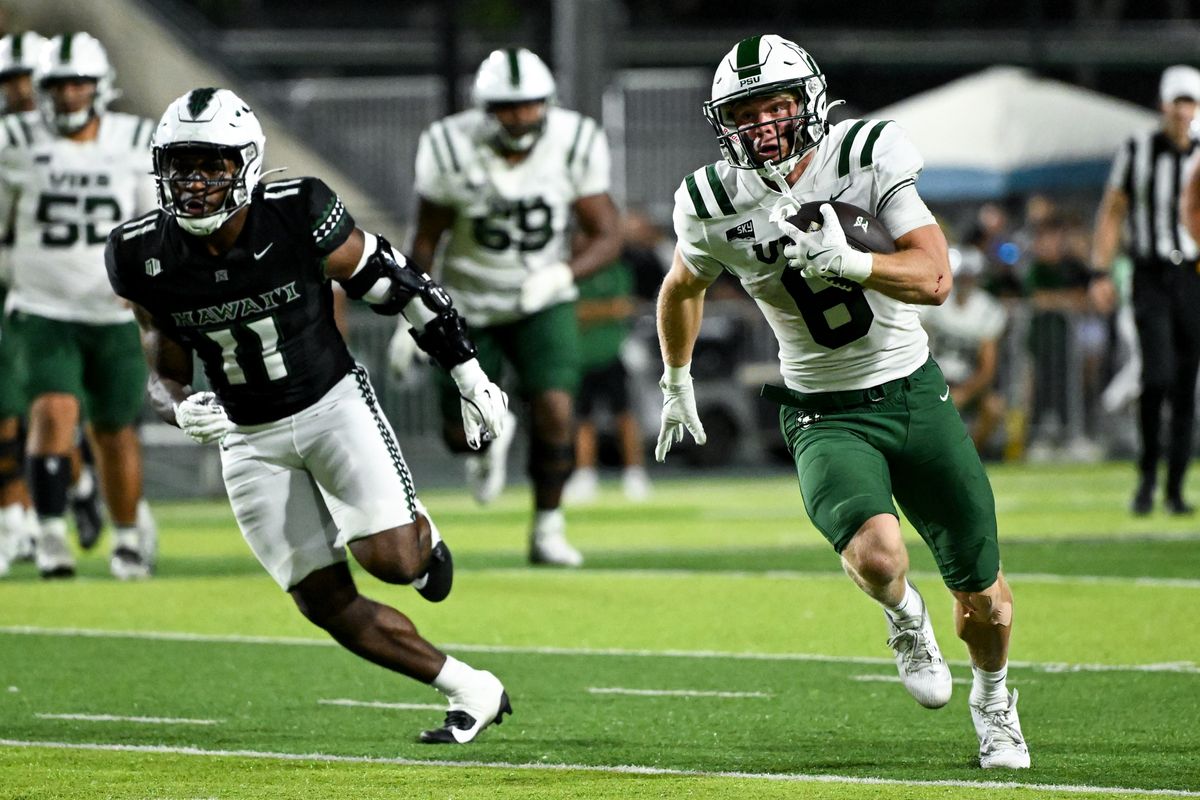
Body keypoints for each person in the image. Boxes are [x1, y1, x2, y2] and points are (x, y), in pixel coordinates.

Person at [655, 34, 1029, 769]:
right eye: (745, 111)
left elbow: (935, 277)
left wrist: (854, 261)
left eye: (776, 104)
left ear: (810, 101)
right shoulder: (709, 201)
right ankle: (904, 617)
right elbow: (682, 287)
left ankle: (994, 699)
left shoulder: (866, 153)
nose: (762, 123)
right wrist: (676, 379)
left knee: (985, 598)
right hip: (823, 408)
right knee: (880, 556)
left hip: (915, 392)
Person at [105, 87, 513, 744]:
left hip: (331, 405)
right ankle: (472, 688)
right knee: (325, 604)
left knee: (394, 565)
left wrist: (468, 373)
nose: (195, 182)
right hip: (246, 436)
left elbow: (398, 283)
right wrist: (180, 407)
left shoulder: (299, 213)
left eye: (212, 165)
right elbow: (163, 366)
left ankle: (419, 535)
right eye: (182, 165)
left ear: (247, 163)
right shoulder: (139, 253)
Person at [390, 47, 621, 567]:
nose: (520, 117)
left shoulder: (574, 140)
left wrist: (562, 273)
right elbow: (425, 240)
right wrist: (411, 313)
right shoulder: (449, 146)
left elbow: (607, 233)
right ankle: (488, 449)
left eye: (530, 105)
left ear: (548, 103)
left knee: (557, 411)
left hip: (541, 299)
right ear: (484, 108)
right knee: (460, 436)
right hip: (466, 303)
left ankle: (548, 529)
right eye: (507, 107)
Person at [0, 32, 156, 578]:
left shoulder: (135, 140)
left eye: (77, 84)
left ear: (99, 87)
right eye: (57, 85)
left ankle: (130, 537)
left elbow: (150, 231)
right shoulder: (14, 140)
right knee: (51, 412)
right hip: (41, 308)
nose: (66, 96)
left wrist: (146, 288)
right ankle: (48, 537)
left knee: (114, 432)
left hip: (112, 314)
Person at [1092, 65, 1200, 515]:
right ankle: (1146, 478)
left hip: (1192, 274)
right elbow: (1113, 210)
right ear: (1163, 104)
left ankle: (1175, 488)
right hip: (1150, 274)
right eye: (1177, 101)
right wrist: (1099, 271)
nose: (1183, 111)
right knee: (1156, 376)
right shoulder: (1138, 148)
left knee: (1185, 382)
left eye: (1190, 102)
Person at [561, 248, 651, 504]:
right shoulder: (573, 273)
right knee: (582, 421)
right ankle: (584, 475)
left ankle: (635, 475)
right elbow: (573, 312)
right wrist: (606, 310)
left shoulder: (618, 271)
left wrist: (596, 311)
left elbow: (625, 306)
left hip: (612, 354)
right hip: (581, 357)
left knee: (624, 417)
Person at [919, 246, 1008, 457]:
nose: (965, 282)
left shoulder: (988, 309)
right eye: (962, 277)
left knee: (993, 408)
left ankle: (969, 455)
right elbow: (915, 339)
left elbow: (987, 368)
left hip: (968, 381)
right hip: (934, 376)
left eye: (969, 277)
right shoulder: (936, 299)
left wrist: (965, 393)